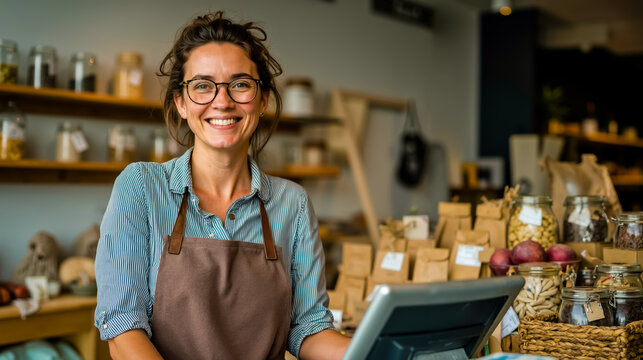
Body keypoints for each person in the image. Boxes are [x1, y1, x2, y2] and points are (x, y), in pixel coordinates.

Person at [94, 11, 350, 360]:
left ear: (262, 101)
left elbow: (307, 328)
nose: (222, 100)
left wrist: (372, 352)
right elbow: (123, 328)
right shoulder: (140, 187)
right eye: (202, 86)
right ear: (181, 103)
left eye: (241, 84)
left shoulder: (293, 203)